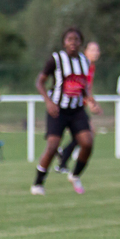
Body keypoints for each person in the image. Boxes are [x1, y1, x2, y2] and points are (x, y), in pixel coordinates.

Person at [31, 28, 102, 196]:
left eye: (76, 39)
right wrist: (48, 102)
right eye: (69, 39)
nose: (73, 43)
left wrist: (90, 100)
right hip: (58, 109)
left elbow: (82, 86)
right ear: (64, 42)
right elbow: (39, 82)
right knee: (53, 146)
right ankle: (38, 183)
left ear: (80, 43)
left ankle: (75, 175)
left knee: (87, 143)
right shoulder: (56, 59)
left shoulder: (84, 61)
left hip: (76, 110)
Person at [56, 41, 100, 173]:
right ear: (85, 51)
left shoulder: (90, 66)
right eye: (92, 50)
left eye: (97, 50)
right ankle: (63, 157)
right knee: (86, 133)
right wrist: (89, 103)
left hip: (80, 104)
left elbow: (87, 88)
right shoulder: (81, 65)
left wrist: (91, 101)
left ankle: (63, 158)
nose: (95, 53)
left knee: (84, 134)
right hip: (71, 105)